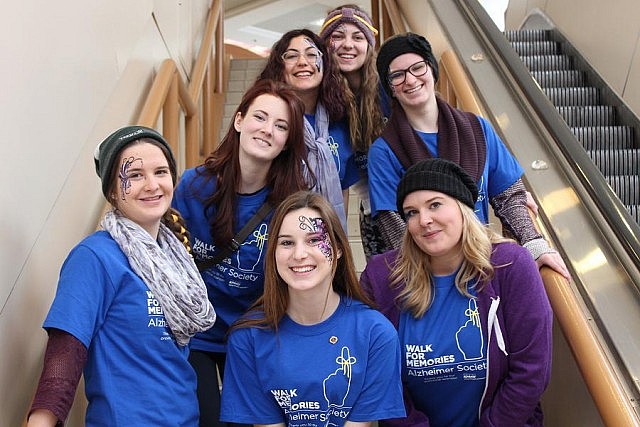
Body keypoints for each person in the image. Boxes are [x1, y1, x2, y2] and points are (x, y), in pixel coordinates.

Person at [26, 126, 216, 426]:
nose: (152, 185)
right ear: (113, 189)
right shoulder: (95, 256)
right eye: (135, 175)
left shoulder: (176, 259)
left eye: (161, 172)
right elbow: (64, 356)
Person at [361, 158, 553, 426]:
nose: (424, 220)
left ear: (463, 208)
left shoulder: (510, 265)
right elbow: (379, 378)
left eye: (435, 205)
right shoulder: (382, 277)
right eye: (411, 213)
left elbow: (531, 371)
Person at [369, 32, 571, 279]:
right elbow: (393, 225)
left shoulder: (478, 130)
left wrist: (534, 243)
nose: (410, 80)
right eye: (397, 75)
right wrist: (434, 274)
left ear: (432, 70)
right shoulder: (384, 151)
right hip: (431, 278)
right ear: (390, 87)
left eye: (418, 67)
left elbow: (510, 196)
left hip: (483, 265)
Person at [171, 79, 309, 427]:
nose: (267, 130)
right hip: (197, 331)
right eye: (260, 118)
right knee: (204, 419)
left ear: (286, 143)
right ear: (238, 120)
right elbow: (168, 257)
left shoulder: (290, 205)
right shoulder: (193, 185)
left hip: (253, 333)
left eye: (281, 127)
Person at [220, 190, 406, 426]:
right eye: (287, 242)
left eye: (314, 240)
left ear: (338, 248)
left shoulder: (375, 333)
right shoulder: (248, 337)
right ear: (273, 253)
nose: (299, 254)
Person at [258, 28, 360, 231]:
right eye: (291, 56)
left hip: (325, 241)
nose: (303, 62)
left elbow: (343, 190)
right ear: (279, 66)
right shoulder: (267, 122)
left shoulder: (340, 123)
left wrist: (339, 240)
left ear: (325, 65)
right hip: (273, 238)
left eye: (312, 55)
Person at [319, 4, 388, 259]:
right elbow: (339, 174)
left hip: (402, 198)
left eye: (358, 37)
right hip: (368, 206)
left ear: (369, 45)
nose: (348, 44)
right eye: (338, 36)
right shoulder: (319, 95)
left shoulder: (387, 89)